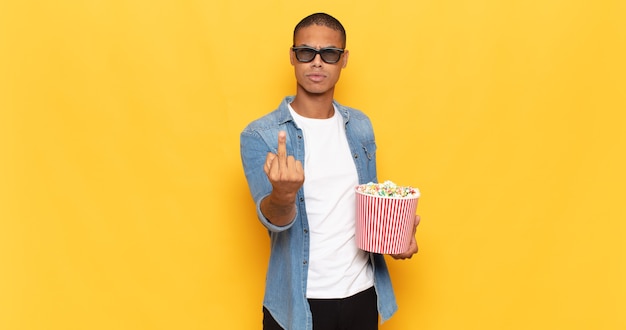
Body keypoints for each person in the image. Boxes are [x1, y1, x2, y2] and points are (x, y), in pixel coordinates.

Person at [240, 12, 420, 330]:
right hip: (298, 304)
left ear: (343, 59)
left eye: (330, 54)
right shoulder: (261, 135)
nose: (317, 62)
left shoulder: (361, 126)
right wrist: (283, 194)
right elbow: (273, 220)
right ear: (293, 57)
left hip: (363, 294)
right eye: (307, 52)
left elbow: (371, 208)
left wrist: (396, 237)